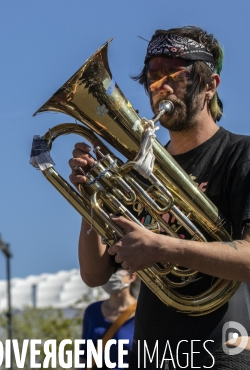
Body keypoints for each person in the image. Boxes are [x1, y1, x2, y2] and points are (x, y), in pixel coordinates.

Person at [69, 26, 250, 369]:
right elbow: (94, 274)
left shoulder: (241, 155)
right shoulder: (140, 170)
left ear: (210, 85)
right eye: (153, 77)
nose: (160, 87)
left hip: (221, 355)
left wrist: (163, 247)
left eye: (175, 75)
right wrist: (89, 198)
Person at [81, 269, 138, 369]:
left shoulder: (143, 312)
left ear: (132, 276)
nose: (111, 274)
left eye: (116, 270)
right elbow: (83, 355)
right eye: (108, 269)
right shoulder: (92, 311)